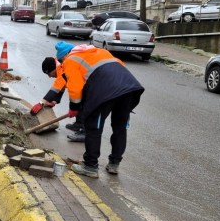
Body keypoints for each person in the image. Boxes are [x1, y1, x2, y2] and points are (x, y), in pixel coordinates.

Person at [55, 41, 145, 178]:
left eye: (61, 61)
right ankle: (114, 164)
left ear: (64, 56)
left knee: (93, 128)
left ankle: (90, 167)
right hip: (129, 88)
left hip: (105, 92)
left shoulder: (70, 60)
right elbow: (119, 67)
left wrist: (75, 107)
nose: (62, 64)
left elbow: (75, 88)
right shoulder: (100, 51)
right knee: (120, 128)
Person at [30, 55, 85, 142]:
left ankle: (85, 133)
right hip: (82, 86)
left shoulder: (62, 70)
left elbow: (55, 89)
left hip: (90, 85)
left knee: (84, 103)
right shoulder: (60, 68)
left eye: (49, 73)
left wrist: (41, 103)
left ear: (53, 69)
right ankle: (79, 124)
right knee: (78, 100)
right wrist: (54, 101)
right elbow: (61, 88)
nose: (49, 76)